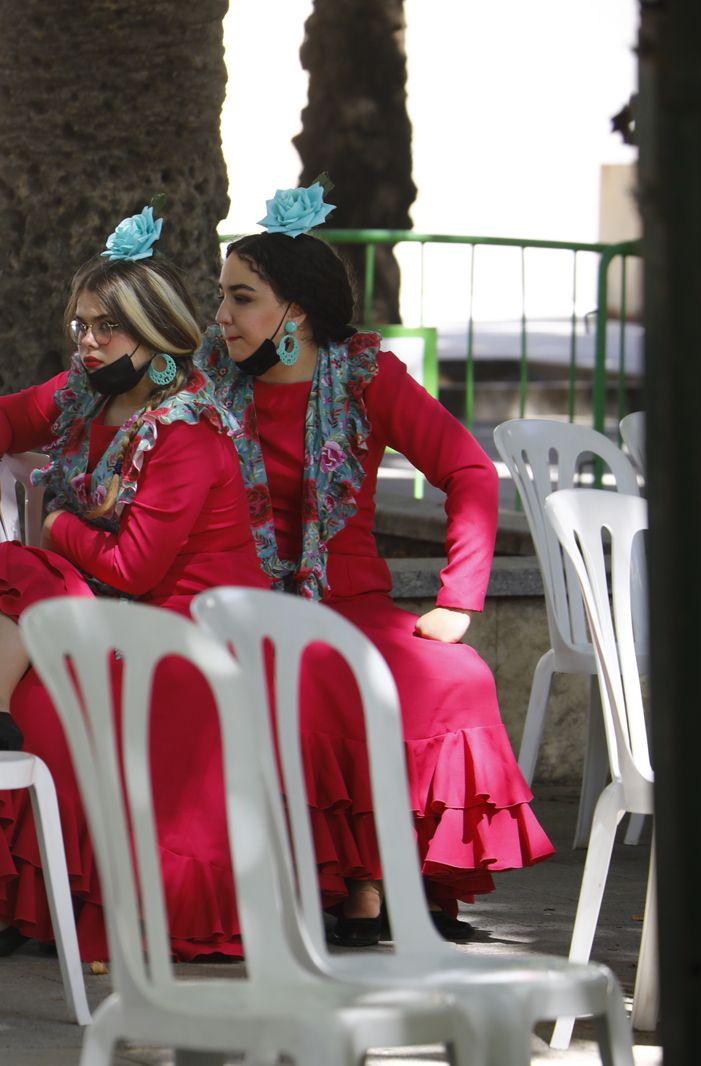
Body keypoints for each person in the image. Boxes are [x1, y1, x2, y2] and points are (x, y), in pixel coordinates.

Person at [0, 204, 326, 962]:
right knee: (28, 698)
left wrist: (54, 527)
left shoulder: (187, 433)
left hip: (190, 638)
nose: (88, 341)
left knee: (16, 578)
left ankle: (37, 872)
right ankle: (16, 904)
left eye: (108, 327)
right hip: (117, 618)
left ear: (158, 338)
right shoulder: (87, 400)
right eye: (80, 325)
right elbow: (3, 412)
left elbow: (135, 564)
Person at [203, 179, 554, 944]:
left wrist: (460, 598)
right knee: (310, 676)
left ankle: (414, 884)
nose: (221, 316)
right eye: (222, 298)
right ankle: (354, 887)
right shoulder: (203, 382)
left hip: (351, 599)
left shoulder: (367, 378)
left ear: (293, 312)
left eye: (240, 298)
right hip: (239, 600)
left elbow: (468, 471)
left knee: (458, 677)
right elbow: (58, 406)